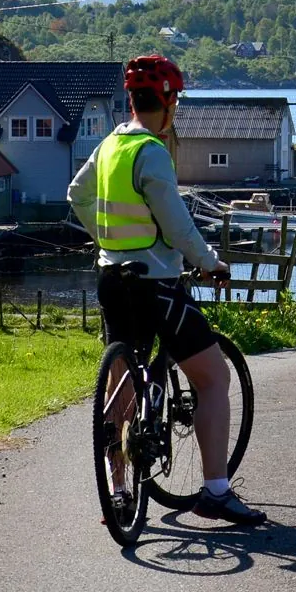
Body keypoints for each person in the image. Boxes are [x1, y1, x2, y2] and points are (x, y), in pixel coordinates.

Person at [67, 55, 268, 527]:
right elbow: (178, 227)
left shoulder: (111, 144)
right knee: (213, 379)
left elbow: (77, 194)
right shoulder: (152, 151)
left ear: (132, 101)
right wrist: (210, 263)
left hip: (111, 278)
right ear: (169, 102)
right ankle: (216, 493)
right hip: (155, 283)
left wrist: (108, 240)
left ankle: (119, 492)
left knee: (120, 386)